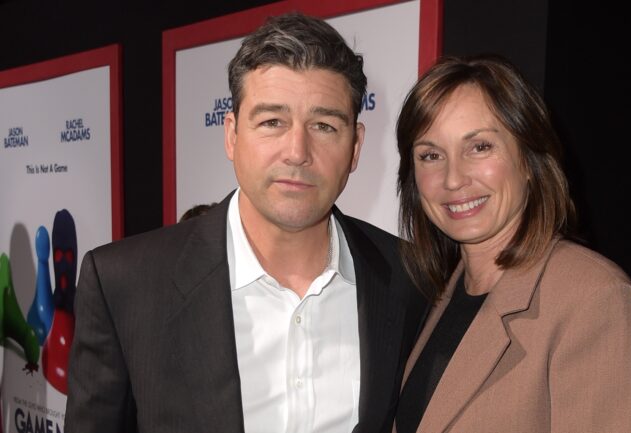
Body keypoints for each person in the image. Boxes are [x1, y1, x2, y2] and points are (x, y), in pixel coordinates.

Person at [65, 13, 426, 433]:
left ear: (356, 146)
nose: (297, 151)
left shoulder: (408, 278)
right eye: (273, 121)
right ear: (232, 135)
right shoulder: (123, 285)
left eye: (324, 125)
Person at [392, 55, 631, 432]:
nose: (453, 178)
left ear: (528, 159)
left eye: (479, 148)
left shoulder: (595, 301)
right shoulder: (442, 295)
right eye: (431, 155)